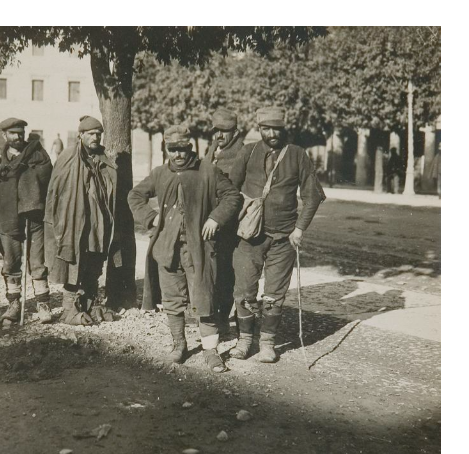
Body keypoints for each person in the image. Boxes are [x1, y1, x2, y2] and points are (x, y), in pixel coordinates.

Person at [129, 125, 241, 371]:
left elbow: (233, 196)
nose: (178, 154)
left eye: (182, 149)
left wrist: (215, 218)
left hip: (199, 249)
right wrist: (151, 218)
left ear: (190, 148)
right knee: (172, 299)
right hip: (167, 249)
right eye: (173, 149)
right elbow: (135, 196)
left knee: (204, 297)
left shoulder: (207, 171)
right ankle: (179, 344)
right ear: (166, 149)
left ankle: (210, 351)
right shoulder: (160, 174)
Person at [224, 107, 326, 363]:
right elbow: (229, 190)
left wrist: (299, 228)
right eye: (266, 129)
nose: (272, 134)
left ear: (284, 128)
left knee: (274, 294)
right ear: (259, 129)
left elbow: (313, 195)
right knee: (244, 290)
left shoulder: (297, 155)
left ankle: (267, 344)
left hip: (284, 239)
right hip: (248, 237)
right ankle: (244, 341)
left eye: (277, 129)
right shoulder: (248, 152)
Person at [45, 116, 125, 325]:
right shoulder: (69, 157)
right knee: (74, 262)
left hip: (98, 221)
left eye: (98, 134)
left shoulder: (102, 158)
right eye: (91, 134)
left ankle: (90, 303)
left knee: (95, 260)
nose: (95, 137)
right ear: (80, 134)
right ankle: (69, 309)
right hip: (75, 220)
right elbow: (56, 190)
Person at [0, 117, 55, 328]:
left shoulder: (39, 154)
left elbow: (47, 179)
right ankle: (13, 304)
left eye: (20, 132)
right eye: (13, 133)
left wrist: (30, 194)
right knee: (11, 262)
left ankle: (43, 303)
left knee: (37, 262)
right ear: (4, 135)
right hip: (7, 216)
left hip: (34, 216)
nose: (18, 137)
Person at [200, 109, 248, 329]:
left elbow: (234, 192)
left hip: (229, 223)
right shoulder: (213, 150)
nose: (219, 135)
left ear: (235, 132)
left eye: (225, 131)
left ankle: (223, 319)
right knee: (212, 269)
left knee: (226, 272)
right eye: (216, 130)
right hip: (211, 220)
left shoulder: (240, 153)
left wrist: (219, 216)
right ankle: (213, 315)